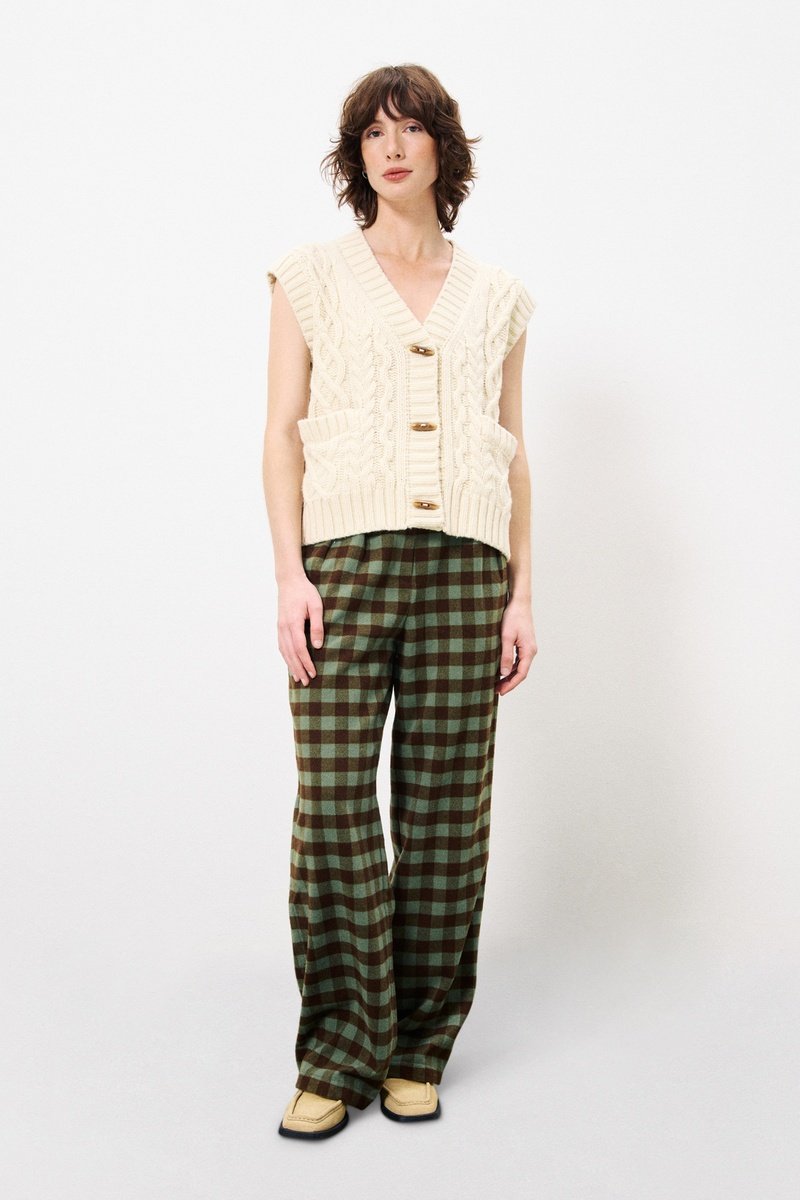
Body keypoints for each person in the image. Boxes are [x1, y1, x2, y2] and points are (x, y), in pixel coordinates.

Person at [263, 63, 538, 1140]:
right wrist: (290, 574)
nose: (391, 147)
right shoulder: (309, 277)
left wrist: (521, 594)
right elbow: (279, 436)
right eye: (372, 132)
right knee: (334, 804)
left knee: (446, 816)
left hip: (468, 573)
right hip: (344, 565)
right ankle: (339, 1050)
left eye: (410, 128)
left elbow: (512, 453)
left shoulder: (498, 296)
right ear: (355, 154)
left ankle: (418, 1045)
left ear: (440, 149)